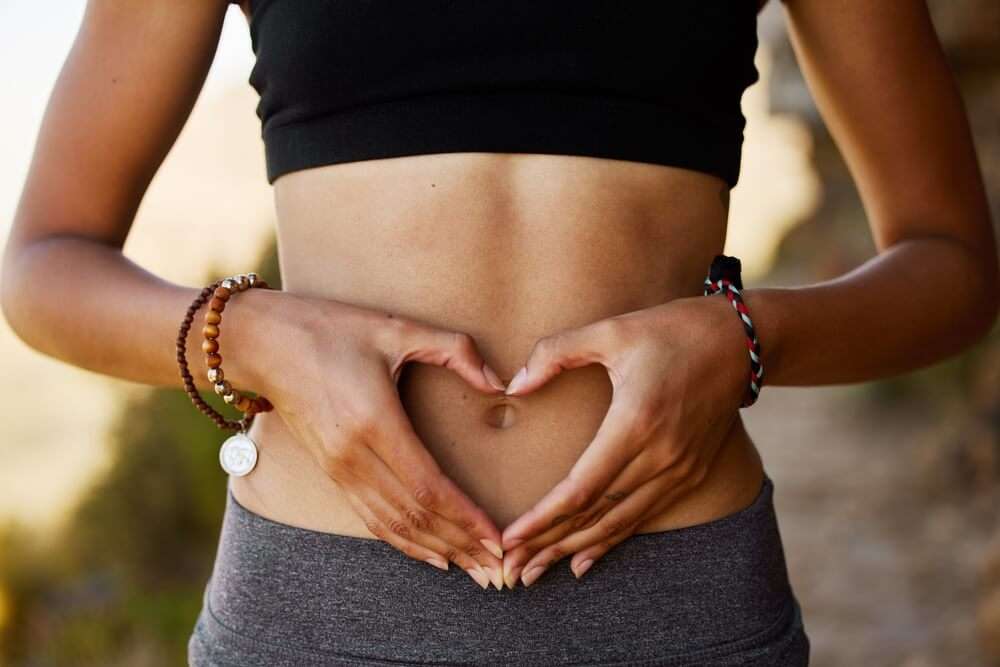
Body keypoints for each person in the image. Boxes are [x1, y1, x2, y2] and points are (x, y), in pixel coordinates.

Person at [1, 0, 996, 664]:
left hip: (674, 604)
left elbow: (950, 263)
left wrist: (745, 338)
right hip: (316, 610)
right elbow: (46, 260)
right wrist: (251, 335)